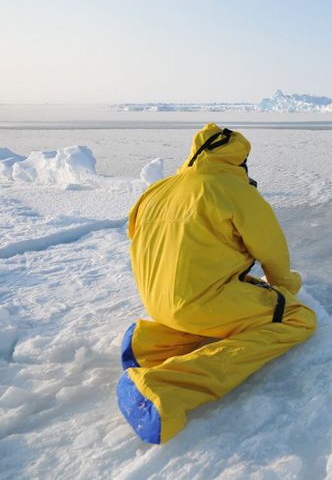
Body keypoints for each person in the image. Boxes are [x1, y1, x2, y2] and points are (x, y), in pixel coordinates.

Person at [116, 123, 317, 444]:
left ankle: (149, 343)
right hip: (199, 302)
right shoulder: (233, 190)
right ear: (239, 158)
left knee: (209, 301)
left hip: (156, 299)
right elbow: (273, 252)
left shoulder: (158, 189)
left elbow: (138, 236)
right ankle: (167, 386)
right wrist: (283, 291)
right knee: (298, 318)